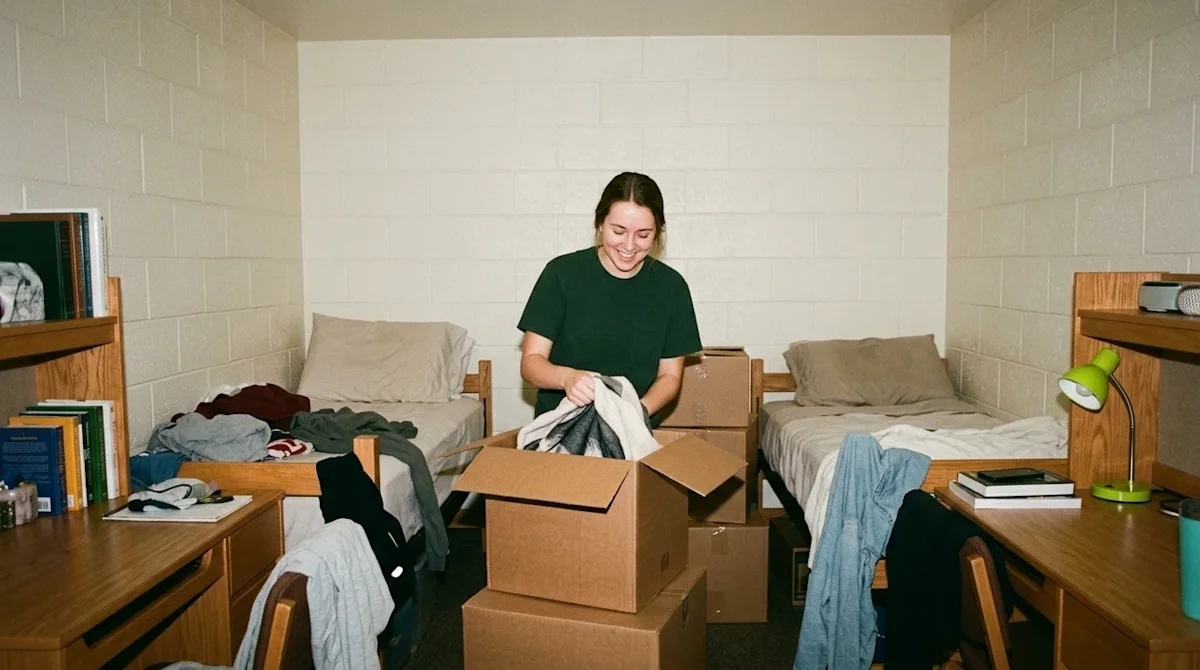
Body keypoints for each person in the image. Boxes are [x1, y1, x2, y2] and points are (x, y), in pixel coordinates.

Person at [517, 171, 702, 427]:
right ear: (600, 224)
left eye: (643, 235)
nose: (629, 245)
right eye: (618, 231)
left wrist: (636, 413)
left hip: (632, 428)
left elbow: (670, 376)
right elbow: (531, 363)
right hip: (559, 427)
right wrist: (567, 378)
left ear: (657, 233)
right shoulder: (561, 274)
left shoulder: (672, 287)